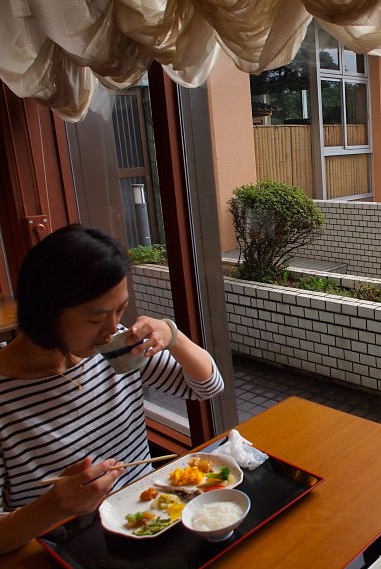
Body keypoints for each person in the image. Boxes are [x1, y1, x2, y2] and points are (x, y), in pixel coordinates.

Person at [0, 224, 224, 553]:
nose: (111, 329)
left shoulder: (111, 349)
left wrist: (172, 336)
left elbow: (206, 386)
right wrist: (55, 506)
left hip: (152, 519)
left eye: (120, 309)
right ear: (46, 312)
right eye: (96, 319)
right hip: (63, 549)